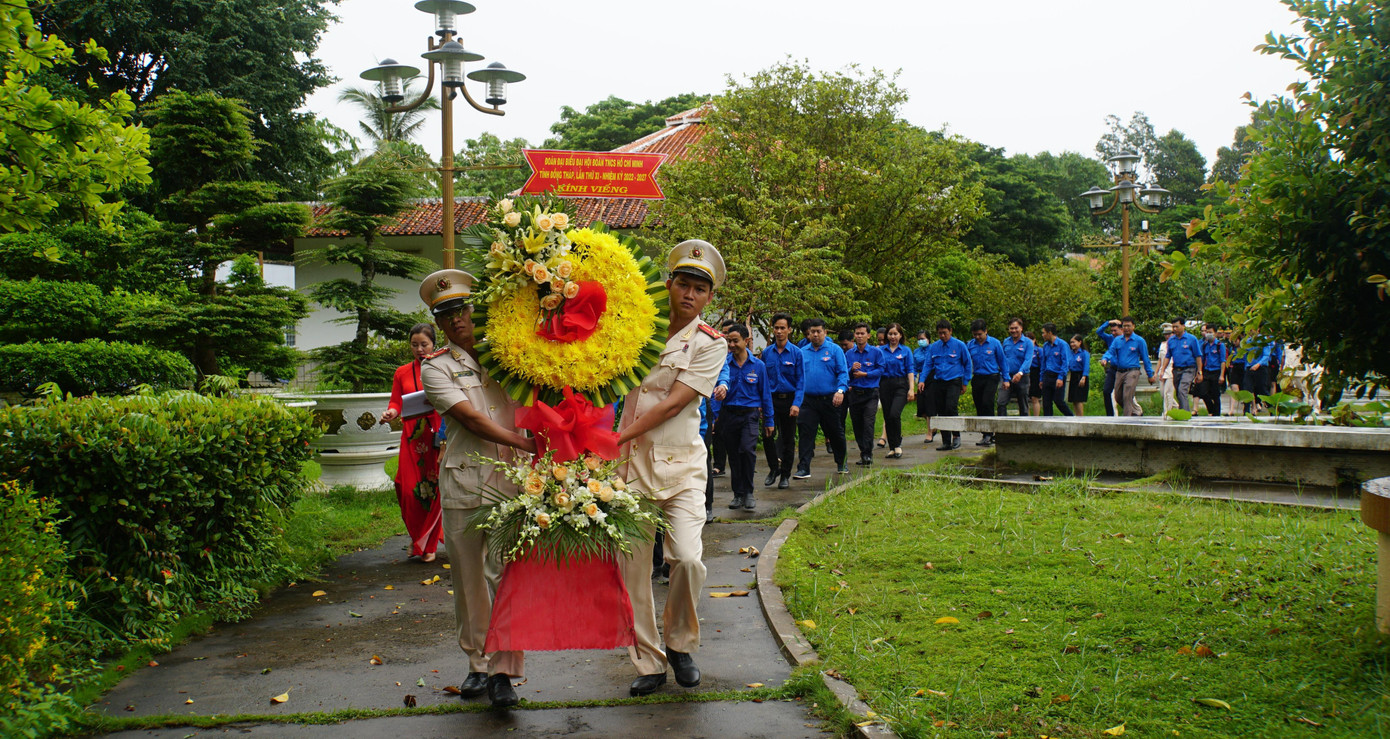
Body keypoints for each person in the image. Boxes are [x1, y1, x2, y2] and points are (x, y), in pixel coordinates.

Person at [418, 269, 538, 709]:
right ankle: (477, 664)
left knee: (507, 576)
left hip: (513, 481)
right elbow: (470, 418)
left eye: (462, 310)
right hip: (465, 480)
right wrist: (522, 441)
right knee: (469, 581)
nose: (456, 321)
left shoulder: (512, 355)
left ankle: (504, 671)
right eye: (445, 315)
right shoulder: (436, 369)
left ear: (476, 310)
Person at [615, 240, 728, 697]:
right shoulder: (633, 330)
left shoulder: (709, 344)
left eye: (699, 288)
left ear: (708, 298)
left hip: (681, 466)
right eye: (683, 283)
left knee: (686, 558)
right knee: (633, 570)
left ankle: (680, 642)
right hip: (630, 467)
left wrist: (615, 435)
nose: (689, 294)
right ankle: (648, 661)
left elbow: (674, 402)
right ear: (668, 285)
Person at [379, 323, 444, 563]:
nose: (419, 349)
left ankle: (427, 544)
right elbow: (396, 402)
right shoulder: (402, 372)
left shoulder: (442, 367)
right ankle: (418, 537)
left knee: (436, 489)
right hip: (412, 436)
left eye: (424, 344)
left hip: (437, 435)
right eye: (414, 344)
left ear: (433, 344)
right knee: (406, 489)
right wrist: (391, 413)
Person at [712, 323, 775, 510]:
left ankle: (749, 492)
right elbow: (716, 393)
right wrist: (714, 418)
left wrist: (769, 421)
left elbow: (766, 394)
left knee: (747, 451)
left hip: (750, 416)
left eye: (735, 341)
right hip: (728, 415)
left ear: (746, 341)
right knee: (733, 455)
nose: (731, 345)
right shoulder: (724, 364)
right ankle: (737, 494)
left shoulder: (758, 366)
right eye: (728, 341)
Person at [794, 318, 850, 478]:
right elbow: (798, 378)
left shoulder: (835, 350)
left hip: (830, 399)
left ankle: (842, 462)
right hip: (808, 401)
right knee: (805, 433)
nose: (816, 335)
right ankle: (804, 467)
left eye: (819, 331)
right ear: (808, 334)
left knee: (835, 432)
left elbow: (843, 372)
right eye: (813, 332)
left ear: (825, 332)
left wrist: (840, 390)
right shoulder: (802, 352)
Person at [760, 313, 804, 489]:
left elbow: (801, 381)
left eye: (782, 328)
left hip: (789, 400)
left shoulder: (796, 353)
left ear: (789, 330)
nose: (779, 331)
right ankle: (773, 468)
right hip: (770, 400)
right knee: (768, 435)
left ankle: (785, 474)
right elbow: (762, 381)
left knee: (788, 439)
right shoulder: (766, 353)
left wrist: (796, 403)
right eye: (776, 328)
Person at [919, 319, 971, 450]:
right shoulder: (934, 347)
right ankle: (946, 440)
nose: (942, 336)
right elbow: (928, 365)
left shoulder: (959, 345)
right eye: (940, 333)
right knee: (941, 410)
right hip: (939, 381)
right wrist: (922, 380)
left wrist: (965, 383)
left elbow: (968, 364)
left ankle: (956, 436)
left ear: (950, 331)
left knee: (951, 407)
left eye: (944, 333)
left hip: (954, 381)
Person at [844, 323, 884, 466]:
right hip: (855, 393)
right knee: (857, 425)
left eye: (862, 333)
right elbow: (844, 372)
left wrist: (865, 374)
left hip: (871, 393)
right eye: (857, 333)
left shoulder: (876, 352)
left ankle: (868, 454)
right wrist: (851, 369)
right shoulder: (849, 354)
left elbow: (881, 370)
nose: (860, 336)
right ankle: (863, 452)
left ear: (868, 335)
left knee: (868, 423)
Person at [1101, 316, 1155, 416]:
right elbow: (1110, 351)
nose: (1126, 328)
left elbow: (1145, 359)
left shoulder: (1139, 341)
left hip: (1133, 371)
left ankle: (1126, 419)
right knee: (1118, 397)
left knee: (1127, 395)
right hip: (1119, 371)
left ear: (1133, 326)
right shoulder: (1117, 340)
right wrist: (1105, 358)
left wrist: (1150, 374)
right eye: (1124, 326)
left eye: (1128, 326)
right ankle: (1136, 411)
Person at [966, 319, 1006, 446]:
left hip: (992, 376)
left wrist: (1006, 379)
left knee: (987, 402)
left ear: (986, 331)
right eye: (975, 335)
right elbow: (966, 363)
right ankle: (985, 433)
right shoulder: (971, 344)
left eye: (980, 334)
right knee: (979, 404)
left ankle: (989, 434)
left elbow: (1002, 361)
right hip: (977, 377)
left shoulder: (994, 343)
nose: (977, 337)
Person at [877, 323, 914, 459]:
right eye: (890, 334)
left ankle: (897, 444)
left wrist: (911, 389)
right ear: (887, 335)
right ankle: (892, 447)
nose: (893, 337)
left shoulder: (905, 351)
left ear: (900, 335)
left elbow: (910, 370)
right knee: (887, 415)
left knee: (894, 414)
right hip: (885, 384)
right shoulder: (880, 350)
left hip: (900, 384)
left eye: (895, 334)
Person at [1157, 317, 1202, 413]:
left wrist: (1200, 371)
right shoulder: (1171, 340)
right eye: (1173, 327)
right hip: (1176, 369)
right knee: (1178, 392)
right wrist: (1162, 370)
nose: (1174, 329)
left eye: (1176, 327)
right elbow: (1168, 356)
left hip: (1189, 368)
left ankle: (1185, 413)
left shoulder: (1192, 339)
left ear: (1183, 326)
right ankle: (1182, 411)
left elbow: (1198, 356)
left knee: (1182, 390)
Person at [997, 318, 1032, 418]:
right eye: (1011, 328)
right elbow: (1002, 359)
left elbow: (1028, 360)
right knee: (1001, 402)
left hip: (1022, 376)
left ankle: (1024, 429)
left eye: (1016, 328)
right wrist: (1005, 375)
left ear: (1021, 328)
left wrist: (1020, 373)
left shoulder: (1028, 342)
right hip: (1006, 376)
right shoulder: (1006, 342)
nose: (1013, 330)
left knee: (1023, 405)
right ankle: (1002, 429)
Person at [1038, 323, 1072, 417]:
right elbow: (1043, 363)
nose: (1042, 335)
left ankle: (1071, 417)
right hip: (1047, 376)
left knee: (1059, 401)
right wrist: (1041, 378)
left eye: (1044, 333)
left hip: (1057, 376)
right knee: (1046, 403)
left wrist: (1061, 377)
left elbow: (1065, 362)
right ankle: (1048, 424)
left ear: (1049, 333)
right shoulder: (1046, 346)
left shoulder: (1062, 345)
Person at [1195, 323, 1227, 416]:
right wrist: (1199, 372)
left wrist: (1222, 375)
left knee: (1215, 394)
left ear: (1216, 333)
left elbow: (1223, 361)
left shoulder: (1220, 345)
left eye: (1210, 332)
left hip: (1216, 371)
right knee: (1203, 392)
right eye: (1207, 332)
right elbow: (1201, 358)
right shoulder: (1204, 345)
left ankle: (1216, 414)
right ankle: (1212, 410)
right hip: (1206, 371)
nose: (1208, 334)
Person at [912, 330, 935, 444]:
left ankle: (929, 432)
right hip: (920, 378)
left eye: (923, 339)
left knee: (930, 405)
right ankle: (933, 427)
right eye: (919, 339)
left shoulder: (933, 349)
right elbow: (914, 366)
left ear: (928, 339)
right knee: (922, 407)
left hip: (932, 378)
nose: (921, 341)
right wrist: (914, 379)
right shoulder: (916, 352)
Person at [1095, 319, 1122, 416]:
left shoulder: (1126, 339)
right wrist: (1108, 322)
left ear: (1121, 330)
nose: (1113, 333)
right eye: (1112, 331)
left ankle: (1135, 412)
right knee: (1106, 391)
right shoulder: (1111, 338)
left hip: (1123, 370)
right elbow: (1099, 332)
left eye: (1115, 330)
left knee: (1125, 395)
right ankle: (1110, 416)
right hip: (1113, 368)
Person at [1067, 334, 1090, 417]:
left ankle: (1081, 417)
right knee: (1074, 399)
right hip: (1073, 375)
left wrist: (1084, 377)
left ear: (1080, 342)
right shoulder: (1070, 353)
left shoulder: (1084, 353)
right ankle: (1077, 416)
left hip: (1081, 376)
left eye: (1074, 342)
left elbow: (1086, 366)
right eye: (1071, 342)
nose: (1072, 344)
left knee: (1079, 398)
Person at [1157, 323, 1177, 416]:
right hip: (1163, 371)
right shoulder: (1162, 345)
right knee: (1162, 393)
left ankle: (1166, 413)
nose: (1167, 336)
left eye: (1169, 333)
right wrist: (1156, 372)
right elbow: (1160, 359)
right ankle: (1177, 407)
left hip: (1171, 370)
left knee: (1168, 393)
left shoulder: (1176, 344)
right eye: (1166, 334)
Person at [1026, 331, 1043, 417]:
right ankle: (1027, 417)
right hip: (1026, 373)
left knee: (1034, 398)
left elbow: (1043, 364)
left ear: (1034, 340)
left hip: (1036, 374)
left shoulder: (1039, 350)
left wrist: (1041, 378)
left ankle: (1036, 418)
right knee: (1025, 398)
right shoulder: (1024, 350)